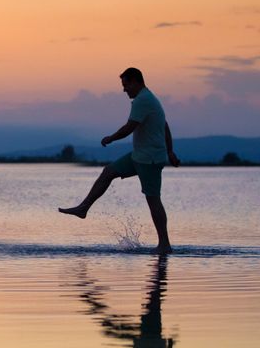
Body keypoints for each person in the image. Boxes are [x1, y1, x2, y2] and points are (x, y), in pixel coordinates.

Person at [59, 68, 180, 254]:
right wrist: (170, 151)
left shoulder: (143, 100)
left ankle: (165, 244)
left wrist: (111, 137)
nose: (124, 90)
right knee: (108, 172)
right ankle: (83, 208)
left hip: (150, 159)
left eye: (126, 85)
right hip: (139, 155)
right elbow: (164, 124)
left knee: (153, 199)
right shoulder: (148, 99)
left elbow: (130, 127)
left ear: (136, 82)